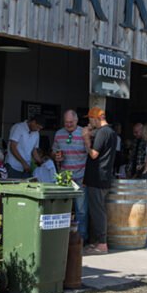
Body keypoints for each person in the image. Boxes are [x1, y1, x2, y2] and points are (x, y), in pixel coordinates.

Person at [82, 107, 117, 255]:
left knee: (98, 211)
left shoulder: (103, 132)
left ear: (96, 118)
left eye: (90, 119)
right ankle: (97, 242)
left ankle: (102, 244)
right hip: (102, 177)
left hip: (98, 177)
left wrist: (85, 139)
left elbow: (94, 154)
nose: (90, 122)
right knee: (98, 209)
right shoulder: (111, 132)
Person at [53, 109, 89, 241]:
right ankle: (63, 238)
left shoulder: (84, 133)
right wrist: (56, 156)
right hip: (64, 176)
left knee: (81, 210)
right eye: (66, 122)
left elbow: (90, 155)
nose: (68, 125)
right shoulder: (58, 134)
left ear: (76, 120)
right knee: (63, 209)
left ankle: (81, 238)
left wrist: (87, 177)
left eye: (71, 122)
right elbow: (54, 151)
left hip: (81, 175)